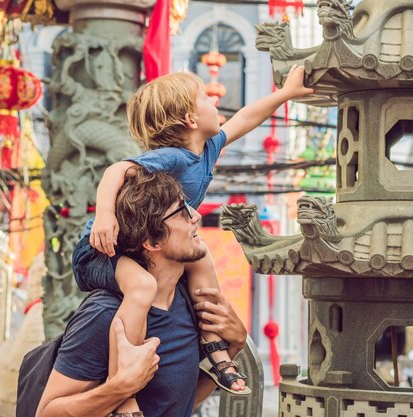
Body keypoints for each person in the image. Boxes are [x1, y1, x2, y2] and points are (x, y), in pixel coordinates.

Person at [74, 65, 313, 412]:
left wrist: (285, 94)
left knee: (202, 258)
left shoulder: (208, 148)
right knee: (141, 288)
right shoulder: (173, 157)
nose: (215, 101)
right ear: (189, 118)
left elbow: (246, 117)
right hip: (101, 251)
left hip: (144, 248)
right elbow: (118, 169)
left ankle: (216, 350)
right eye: (206, 98)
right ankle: (124, 394)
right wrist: (105, 216)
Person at [37, 169, 248, 417]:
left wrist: (234, 346)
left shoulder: (186, 302)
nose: (196, 216)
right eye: (181, 212)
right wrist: (119, 389)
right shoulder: (104, 313)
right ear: (152, 242)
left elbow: (177, 406)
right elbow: (46, 413)